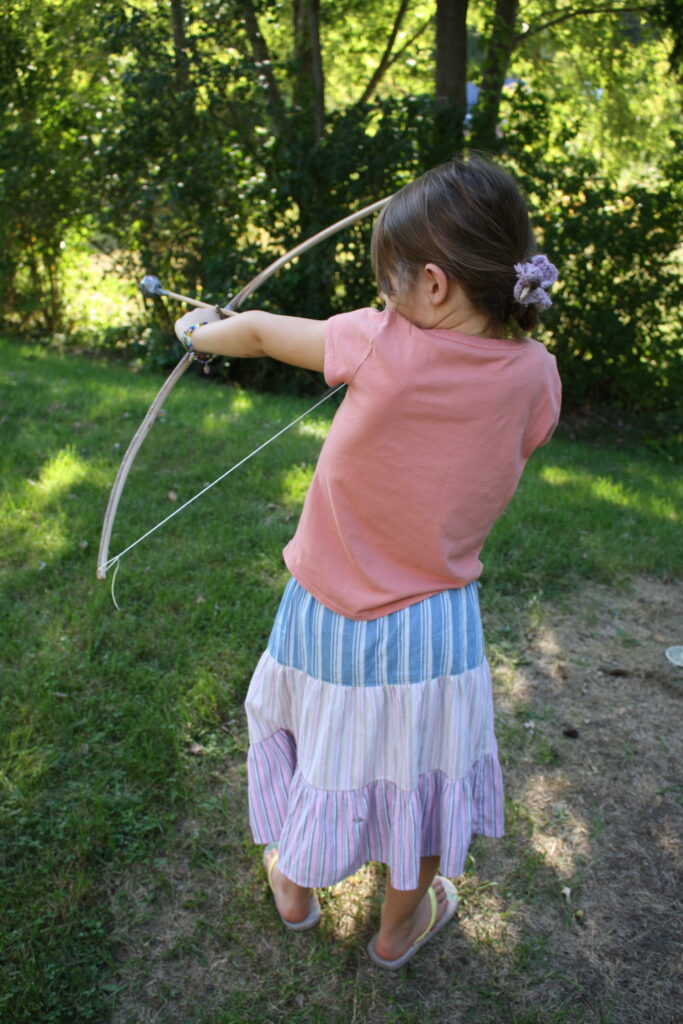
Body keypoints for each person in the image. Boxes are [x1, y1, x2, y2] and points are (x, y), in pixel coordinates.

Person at [174, 155, 562, 969]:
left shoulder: (382, 339)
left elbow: (255, 333)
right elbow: (517, 440)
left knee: (313, 745)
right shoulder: (537, 376)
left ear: (432, 284)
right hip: (435, 628)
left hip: (325, 610)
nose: (381, 299)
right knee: (422, 781)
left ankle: (292, 884)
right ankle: (395, 931)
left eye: (387, 284)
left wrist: (199, 330)